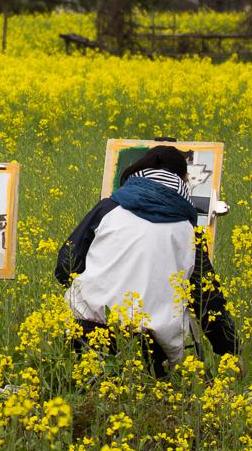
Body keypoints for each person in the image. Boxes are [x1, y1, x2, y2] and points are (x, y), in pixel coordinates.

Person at [55, 144, 235, 376]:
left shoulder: (108, 209)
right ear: (183, 181)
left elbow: (65, 266)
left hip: (85, 337)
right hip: (150, 352)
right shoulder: (187, 230)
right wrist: (230, 350)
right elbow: (207, 298)